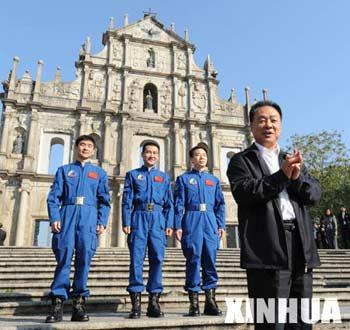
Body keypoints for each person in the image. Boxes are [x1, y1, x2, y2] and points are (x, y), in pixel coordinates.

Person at [227, 100, 321, 329]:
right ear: (251, 126)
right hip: (267, 247)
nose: (268, 125)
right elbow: (246, 193)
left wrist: (296, 177)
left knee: (300, 321)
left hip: (300, 245)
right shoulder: (241, 161)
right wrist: (282, 176)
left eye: (273, 120)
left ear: (280, 125)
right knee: (271, 321)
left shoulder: (290, 158)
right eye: (261, 120)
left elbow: (315, 194)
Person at [45, 135, 111, 323]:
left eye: (89, 146)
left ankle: (79, 304)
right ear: (76, 147)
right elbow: (53, 197)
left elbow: (105, 201)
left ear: (93, 150)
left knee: (84, 260)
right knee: (63, 258)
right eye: (82, 145)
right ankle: (57, 304)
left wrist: (101, 221)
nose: (85, 148)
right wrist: (55, 217)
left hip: (88, 218)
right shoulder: (64, 171)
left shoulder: (99, 173)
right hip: (67, 214)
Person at [122, 142, 174, 319]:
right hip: (138, 216)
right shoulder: (133, 175)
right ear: (142, 154)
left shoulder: (164, 177)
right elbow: (127, 200)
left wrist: (169, 224)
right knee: (136, 259)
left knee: (157, 259)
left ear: (158, 156)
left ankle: (154, 301)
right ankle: (136, 304)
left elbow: (169, 203)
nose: (152, 155)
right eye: (148, 152)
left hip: (158, 219)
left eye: (155, 153)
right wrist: (126, 220)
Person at [174, 143, 225, 317]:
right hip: (192, 219)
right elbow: (178, 204)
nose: (201, 157)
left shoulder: (214, 180)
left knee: (210, 260)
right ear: (191, 159)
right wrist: (178, 225)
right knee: (193, 260)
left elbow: (220, 205)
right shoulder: (184, 179)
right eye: (197, 155)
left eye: (204, 154)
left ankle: (210, 302)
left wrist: (221, 224)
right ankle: (193, 304)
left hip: (210, 220)